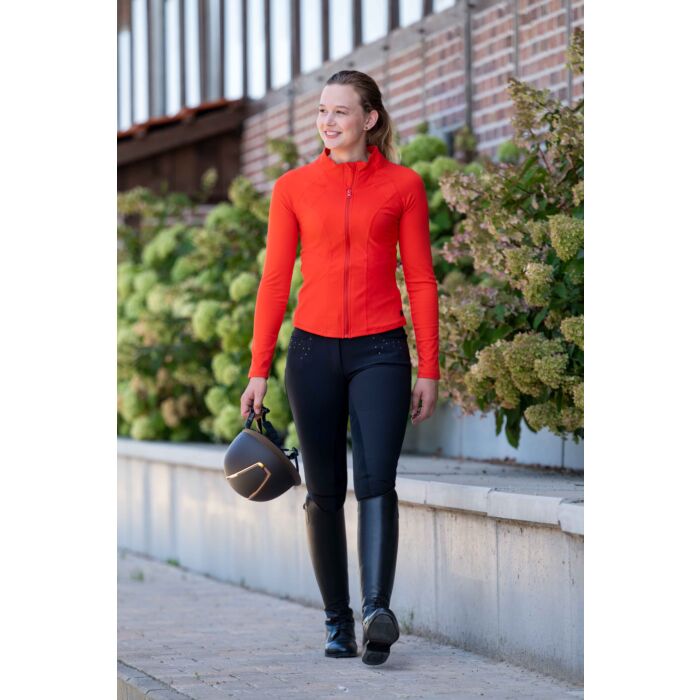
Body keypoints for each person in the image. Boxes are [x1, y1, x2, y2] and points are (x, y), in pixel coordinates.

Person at [240, 69, 440, 666]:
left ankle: (377, 612)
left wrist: (429, 367)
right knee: (324, 490)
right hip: (312, 353)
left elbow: (421, 280)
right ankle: (337, 621)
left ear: (369, 119)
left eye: (340, 111)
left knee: (377, 482)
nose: (327, 122)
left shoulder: (403, 186)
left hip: (381, 352)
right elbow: (275, 281)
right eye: (322, 111)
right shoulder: (293, 188)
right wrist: (258, 368)